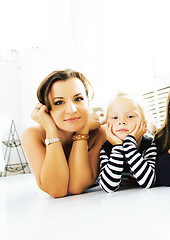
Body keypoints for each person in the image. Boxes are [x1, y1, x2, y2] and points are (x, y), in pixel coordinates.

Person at [21, 69, 106, 198]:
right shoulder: (33, 135)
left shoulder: (99, 132)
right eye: (59, 102)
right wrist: (50, 130)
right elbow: (57, 190)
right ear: (46, 109)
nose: (71, 110)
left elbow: (76, 187)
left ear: (88, 102)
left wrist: (83, 131)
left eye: (78, 99)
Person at [98, 93, 157, 192]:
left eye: (130, 116)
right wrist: (117, 146)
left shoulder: (149, 145)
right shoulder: (106, 148)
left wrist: (129, 145)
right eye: (115, 118)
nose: (121, 121)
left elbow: (148, 182)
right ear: (107, 125)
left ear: (144, 123)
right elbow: (108, 187)